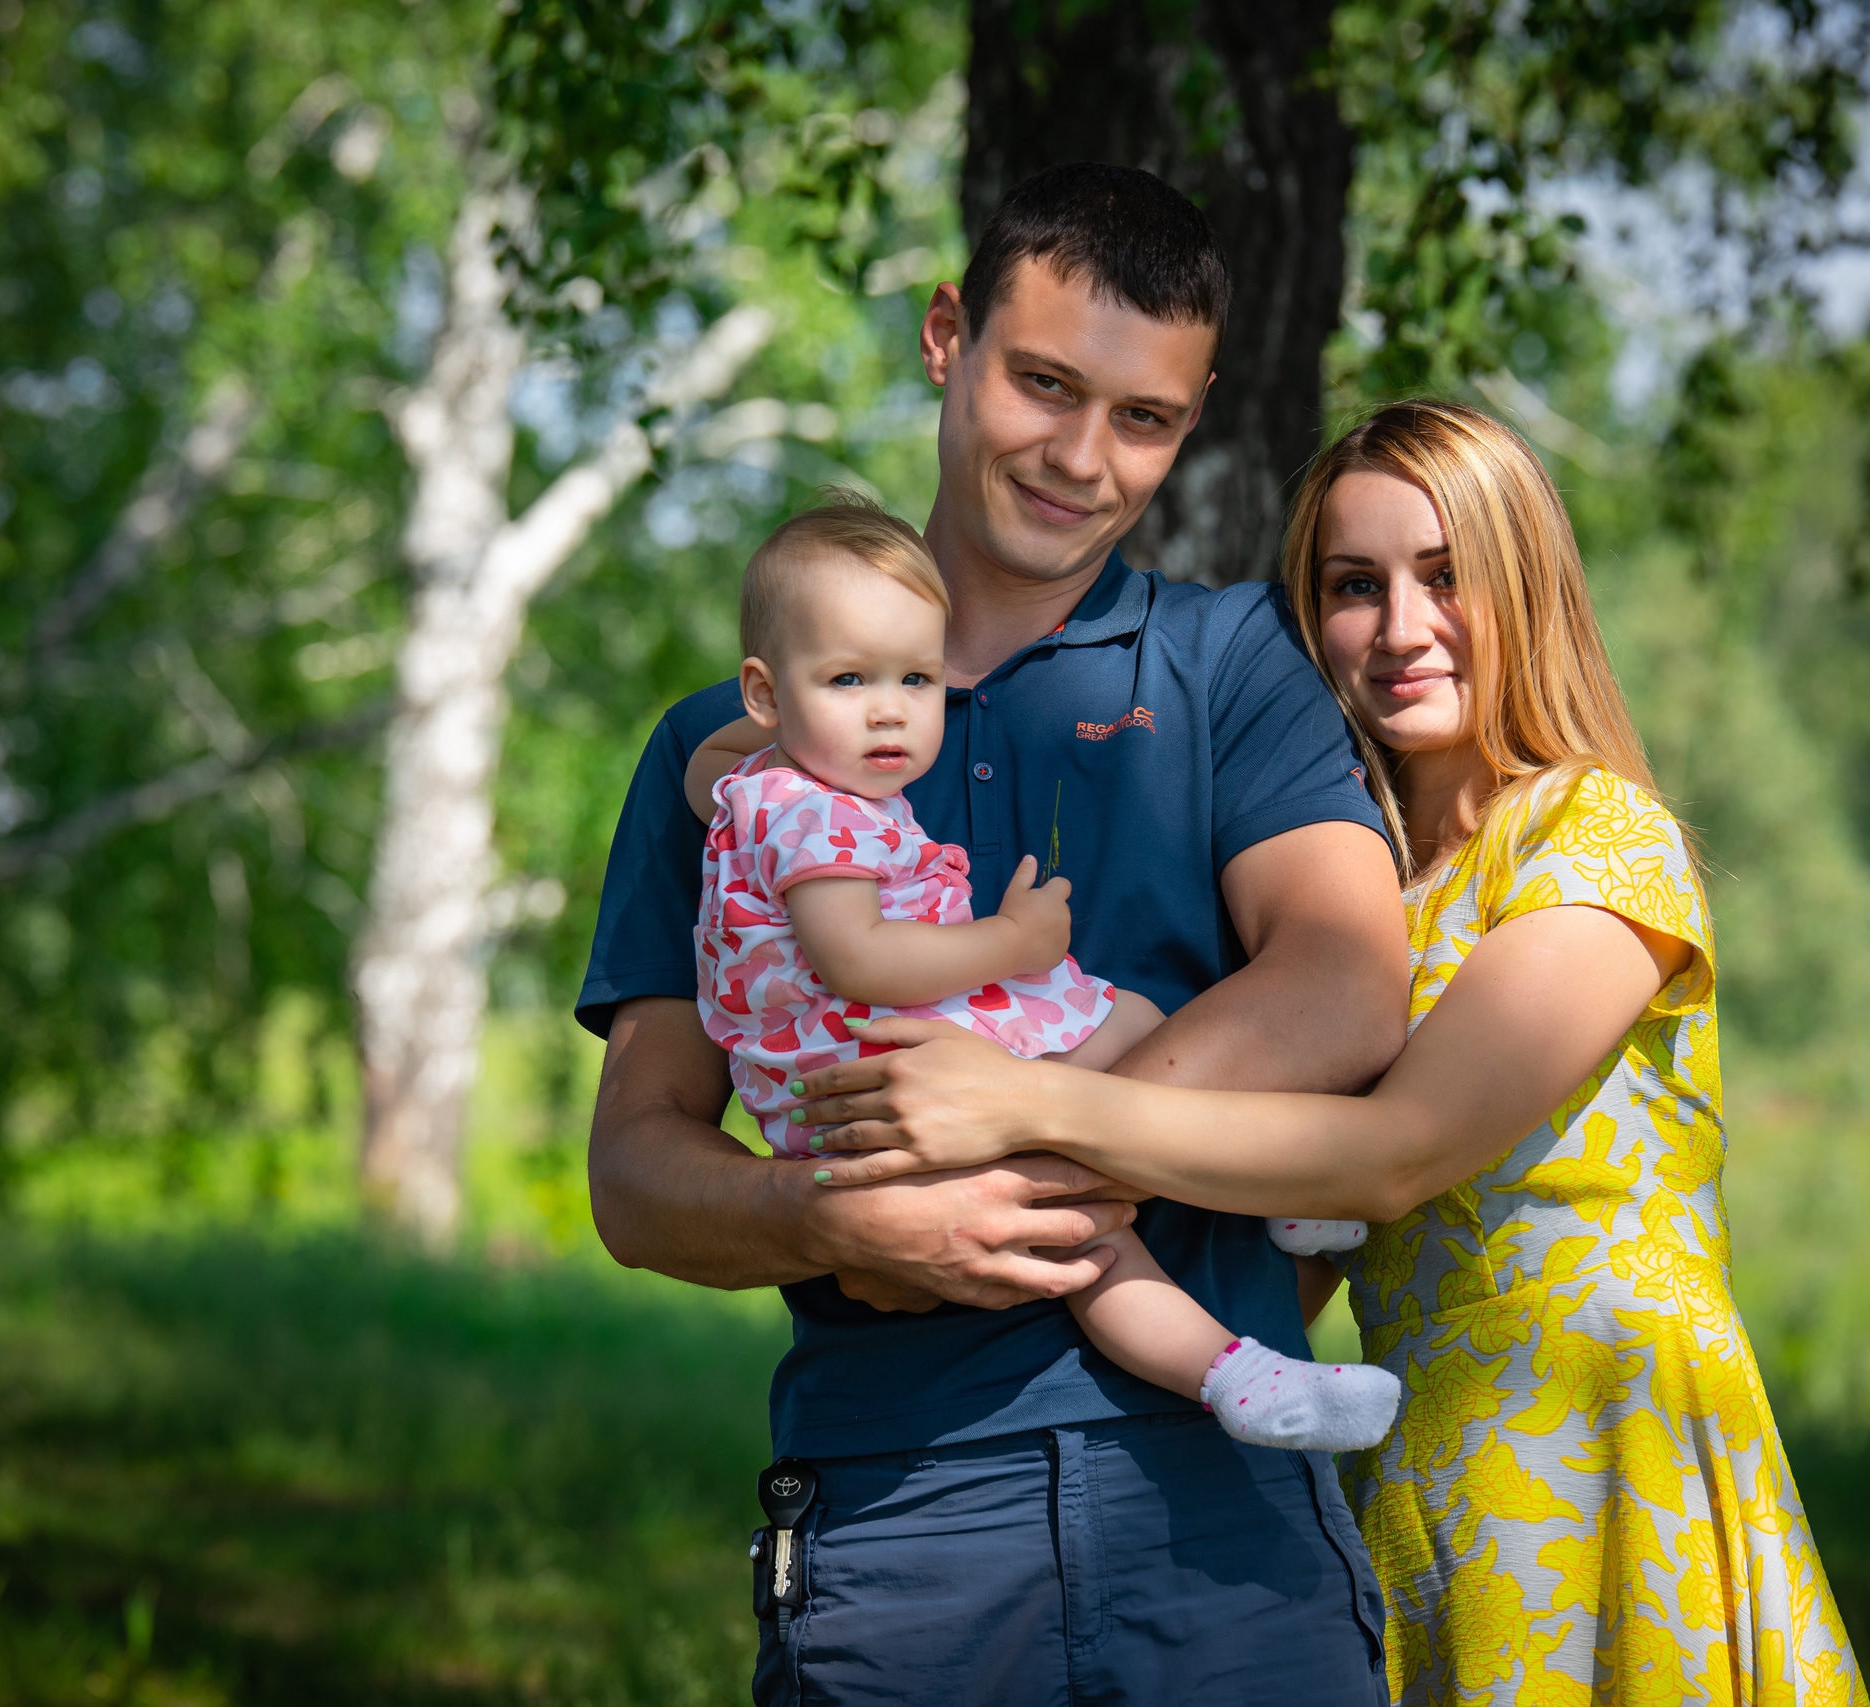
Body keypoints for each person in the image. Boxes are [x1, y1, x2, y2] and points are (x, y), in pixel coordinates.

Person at [793, 400, 1870, 1704]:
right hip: (1425, 1458)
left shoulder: (1599, 836)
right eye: (1355, 586)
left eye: (1448, 574)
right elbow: (1299, 1251)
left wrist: (1026, 1105)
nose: (1403, 628)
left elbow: (1391, 1156)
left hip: (1602, 1440)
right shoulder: (1386, 890)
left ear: (1528, 583)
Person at [579, 162, 1407, 1705]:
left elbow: (1348, 981)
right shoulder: (736, 753)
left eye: (1146, 418)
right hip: (899, 1508)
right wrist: (829, 1217)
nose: (1085, 459)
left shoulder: (1233, 662)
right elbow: (635, 1169)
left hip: (1225, 1486)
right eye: (1045, 383)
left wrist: (1041, 1128)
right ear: (946, 335)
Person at [685, 495, 1401, 1453]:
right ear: (766, 694)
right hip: (886, 1060)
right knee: (1084, 1233)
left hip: (885, 1049)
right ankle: (1232, 1371)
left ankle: (1272, 1192)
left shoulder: (763, 782)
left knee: (1136, 1027)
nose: (891, 710)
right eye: (849, 679)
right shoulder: (817, 814)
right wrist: (1013, 943)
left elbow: (711, 776)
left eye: (917, 678)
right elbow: (855, 954)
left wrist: (772, 732)